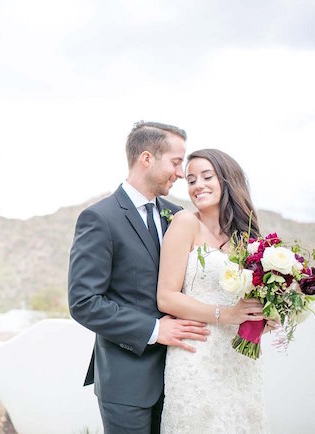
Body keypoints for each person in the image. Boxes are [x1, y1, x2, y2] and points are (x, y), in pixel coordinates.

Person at [68, 121, 210, 433]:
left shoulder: (178, 215)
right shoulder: (100, 218)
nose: (179, 173)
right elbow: (84, 302)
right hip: (126, 382)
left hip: (180, 378)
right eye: (175, 162)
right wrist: (154, 329)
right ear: (146, 158)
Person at [157, 148, 268, 433]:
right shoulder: (185, 223)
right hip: (197, 353)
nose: (198, 186)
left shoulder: (247, 237)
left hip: (239, 360)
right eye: (191, 180)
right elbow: (166, 297)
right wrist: (225, 314)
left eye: (207, 177)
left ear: (227, 181)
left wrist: (266, 316)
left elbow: (247, 303)